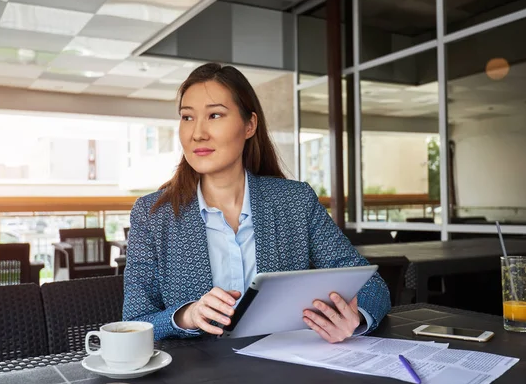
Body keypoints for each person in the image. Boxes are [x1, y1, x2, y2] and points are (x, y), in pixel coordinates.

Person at [123, 63, 391, 342]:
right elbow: (134, 320)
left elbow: (372, 285)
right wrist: (185, 316)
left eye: (214, 115)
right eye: (187, 117)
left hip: (285, 369)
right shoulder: (152, 215)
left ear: (249, 125)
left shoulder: (295, 202)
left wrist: (354, 318)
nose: (197, 133)